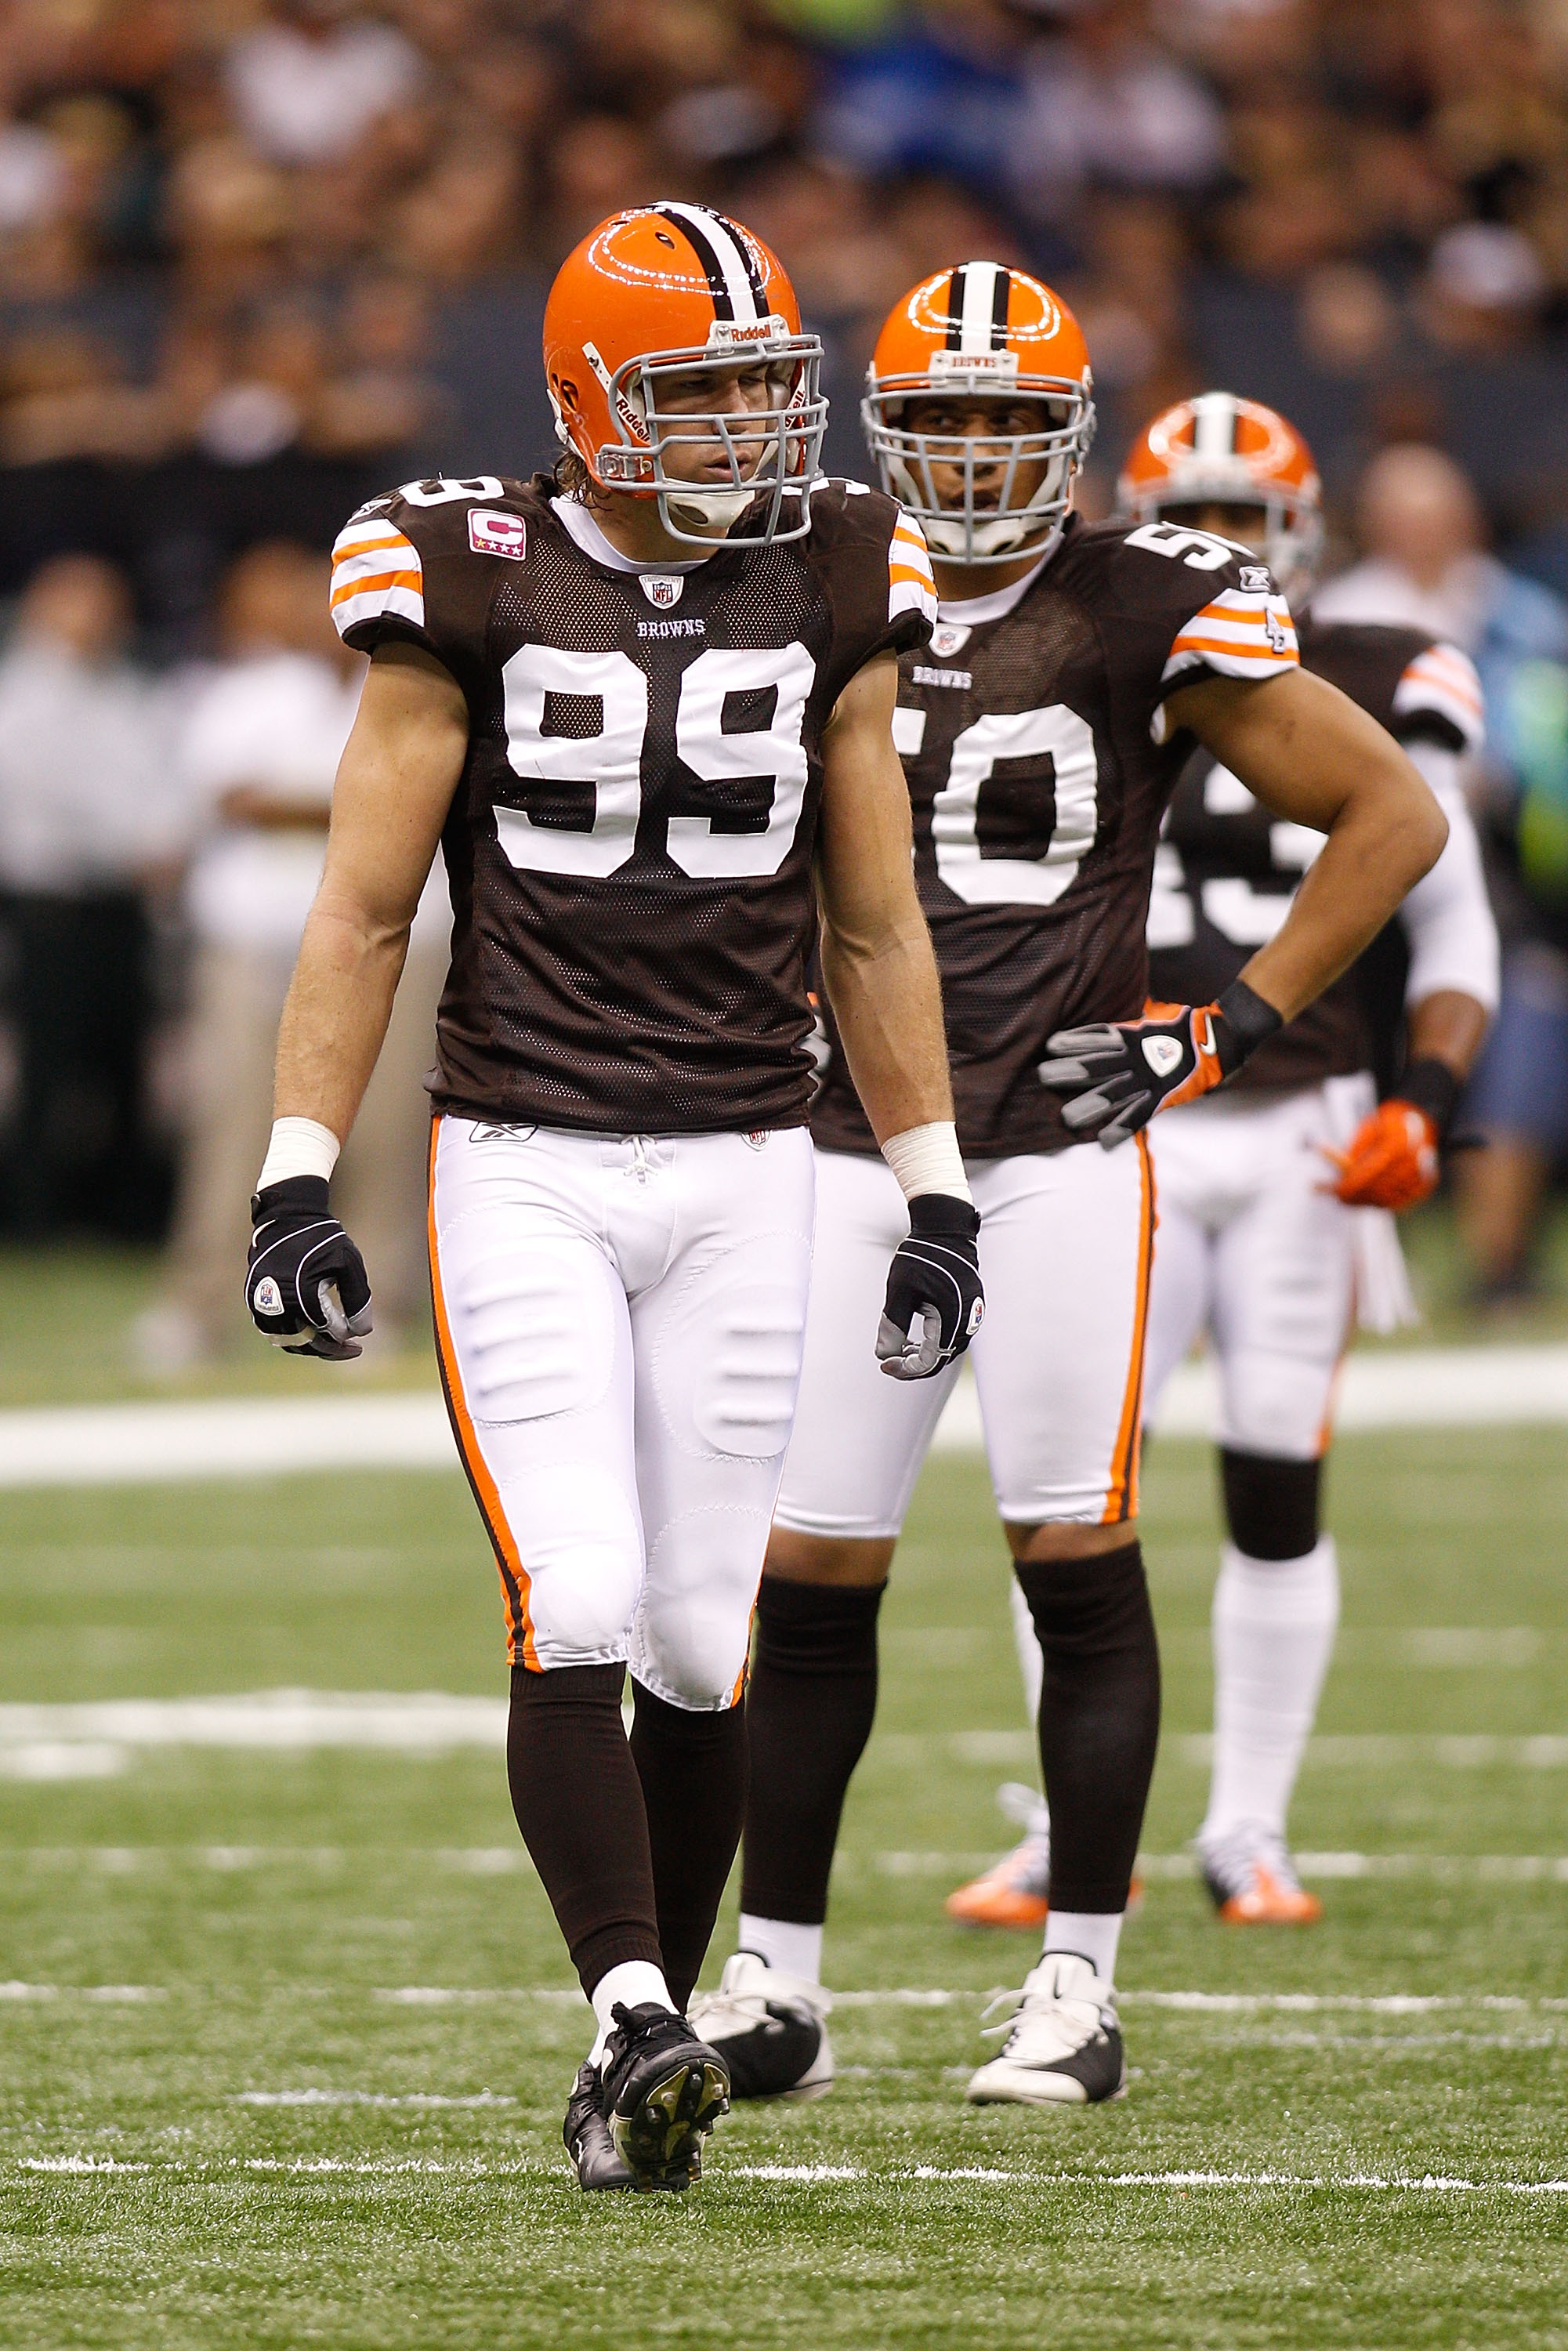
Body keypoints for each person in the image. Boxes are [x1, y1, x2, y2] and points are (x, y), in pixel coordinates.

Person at [242, 203, 980, 2191]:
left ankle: (633, 2047)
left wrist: (931, 1187)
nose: (747, 423)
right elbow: (365, 903)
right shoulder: (460, 568)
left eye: (765, 383)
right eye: (699, 387)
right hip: (528, 1151)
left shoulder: (835, 562)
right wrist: (295, 1174)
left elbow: (873, 911)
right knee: (569, 1586)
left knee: (692, 1628)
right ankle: (632, 2012)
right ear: (583, 398)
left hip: (752, 1151)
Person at [693, 270, 1447, 2113]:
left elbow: (1394, 818)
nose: (962, 457)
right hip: (846, 1144)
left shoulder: (1145, 593)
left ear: (1065, 439)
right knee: (804, 1576)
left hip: (1047, 1148)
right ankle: (774, 1983)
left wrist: (1224, 1023)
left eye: (998, 423)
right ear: (883, 432)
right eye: (932, 423)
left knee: (1070, 1547)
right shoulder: (805, 580)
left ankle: (1076, 1984)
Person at [946, 395, 1500, 1934]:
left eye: (1246, 520)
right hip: (1105, 1120)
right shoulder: (1072, 642)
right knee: (1065, 1486)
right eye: (1187, 514)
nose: (1220, 547)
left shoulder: (1381, 671)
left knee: (1271, 1470)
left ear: (1301, 533)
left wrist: (1428, 1093)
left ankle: (1245, 1824)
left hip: (1295, 1122)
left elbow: (1443, 907)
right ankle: (1076, 1831)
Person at [0, 554, 180, 1238]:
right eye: (79, 599)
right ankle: (33, 1222)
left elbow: (164, 777)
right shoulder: (22, 692)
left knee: (123, 1071)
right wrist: (138, 847)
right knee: (48, 1071)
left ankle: (121, 1220)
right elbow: (48, 792)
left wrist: (162, 843)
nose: (96, 614)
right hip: (53, 909)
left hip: (120, 913)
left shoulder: (128, 690)